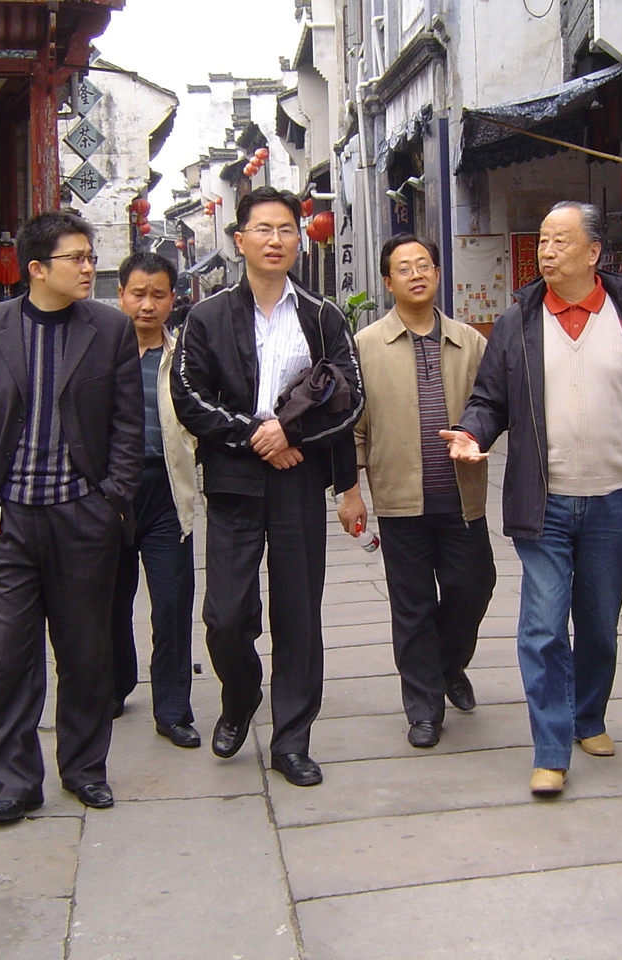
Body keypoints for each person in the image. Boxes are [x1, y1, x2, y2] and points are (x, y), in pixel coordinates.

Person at [442, 200, 622, 796]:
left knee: (599, 623)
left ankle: (588, 717)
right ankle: (550, 749)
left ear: (594, 252)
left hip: (612, 500)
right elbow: (489, 399)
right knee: (542, 626)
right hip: (543, 503)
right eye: (543, 240)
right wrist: (472, 433)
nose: (546, 251)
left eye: (560, 241)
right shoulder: (518, 322)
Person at [0, 210, 143, 822]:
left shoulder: (109, 329)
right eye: (75, 258)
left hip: (82, 518)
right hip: (5, 524)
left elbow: (127, 426)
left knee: (86, 654)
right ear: (36, 268)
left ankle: (84, 769)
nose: (88, 268)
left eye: (90, 256)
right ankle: (13, 782)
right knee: (8, 656)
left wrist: (109, 501)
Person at [172, 186, 363, 787]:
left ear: (299, 239)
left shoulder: (323, 316)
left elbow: (352, 396)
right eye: (263, 229)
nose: (275, 240)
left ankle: (292, 741)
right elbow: (188, 396)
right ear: (239, 240)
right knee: (226, 615)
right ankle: (240, 696)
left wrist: (292, 434)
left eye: (285, 229)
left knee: (299, 612)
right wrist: (256, 434)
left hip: (298, 475)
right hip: (235, 477)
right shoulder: (206, 317)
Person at [337, 234, 495, 748]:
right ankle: (424, 707)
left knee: (474, 588)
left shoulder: (470, 343)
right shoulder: (365, 346)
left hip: (462, 499)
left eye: (424, 265)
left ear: (438, 273)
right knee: (412, 605)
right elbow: (353, 428)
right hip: (399, 499)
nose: (416, 274)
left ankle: (449, 665)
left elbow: (492, 406)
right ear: (388, 281)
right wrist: (350, 492)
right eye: (404, 268)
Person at [110, 251, 200, 748]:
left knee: (170, 603)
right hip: (109, 495)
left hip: (166, 491)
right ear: (121, 295)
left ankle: (173, 710)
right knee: (108, 601)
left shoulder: (185, 357)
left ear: (172, 300)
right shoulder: (98, 353)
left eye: (158, 295)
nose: (147, 305)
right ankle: (114, 685)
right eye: (138, 294)